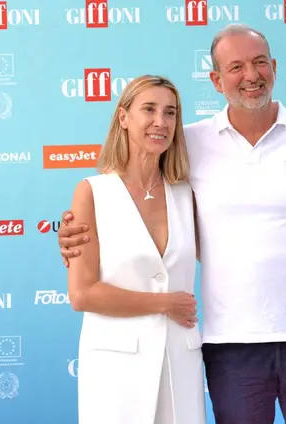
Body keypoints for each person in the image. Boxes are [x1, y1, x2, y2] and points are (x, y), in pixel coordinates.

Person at [59, 24, 286, 424]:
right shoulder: (191, 143)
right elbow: (130, 207)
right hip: (229, 345)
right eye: (236, 67)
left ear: (274, 67)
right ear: (216, 80)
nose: (251, 76)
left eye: (259, 63)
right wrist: (71, 235)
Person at [65, 75, 206, 424]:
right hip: (115, 366)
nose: (161, 122)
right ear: (123, 117)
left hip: (180, 361)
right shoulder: (92, 192)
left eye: (171, 112)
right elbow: (82, 295)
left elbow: (228, 249)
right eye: (149, 109)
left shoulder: (186, 193)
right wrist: (164, 303)